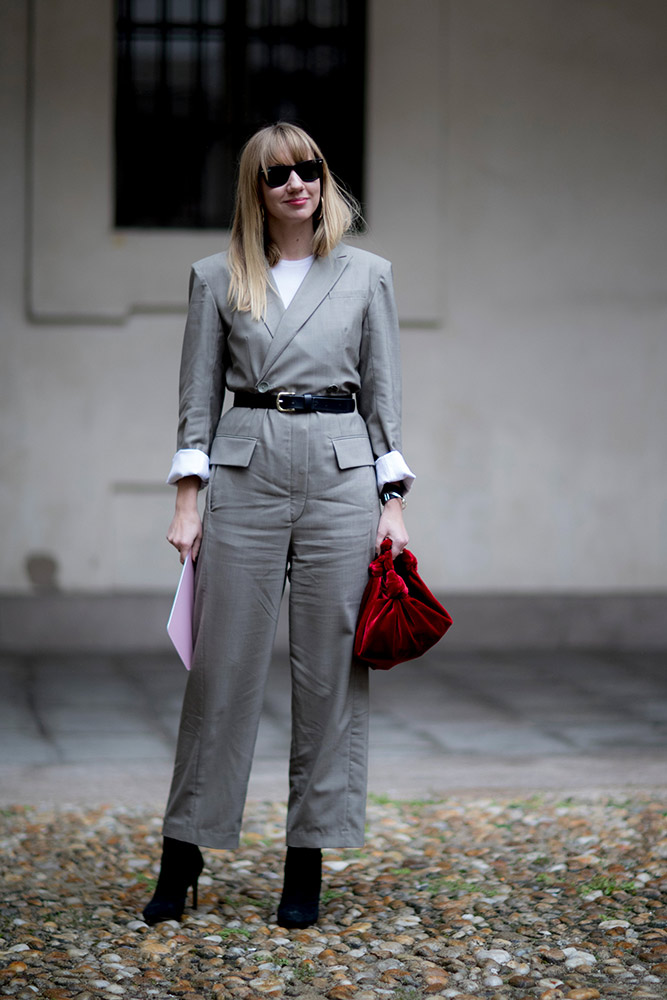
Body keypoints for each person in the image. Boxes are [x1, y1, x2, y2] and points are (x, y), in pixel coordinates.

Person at [143, 122, 414, 929]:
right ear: (254, 191)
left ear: (323, 179)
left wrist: (391, 503)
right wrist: (187, 500)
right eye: (277, 175)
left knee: (330, 675)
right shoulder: (216, 275)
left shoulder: (368, 275)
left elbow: (383, 396)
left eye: (309, 169)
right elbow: (198, 397)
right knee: (220, 671)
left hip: (340, 478)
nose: (297, 183)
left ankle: (308, 862)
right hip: (244, 469)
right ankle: (183, 850)